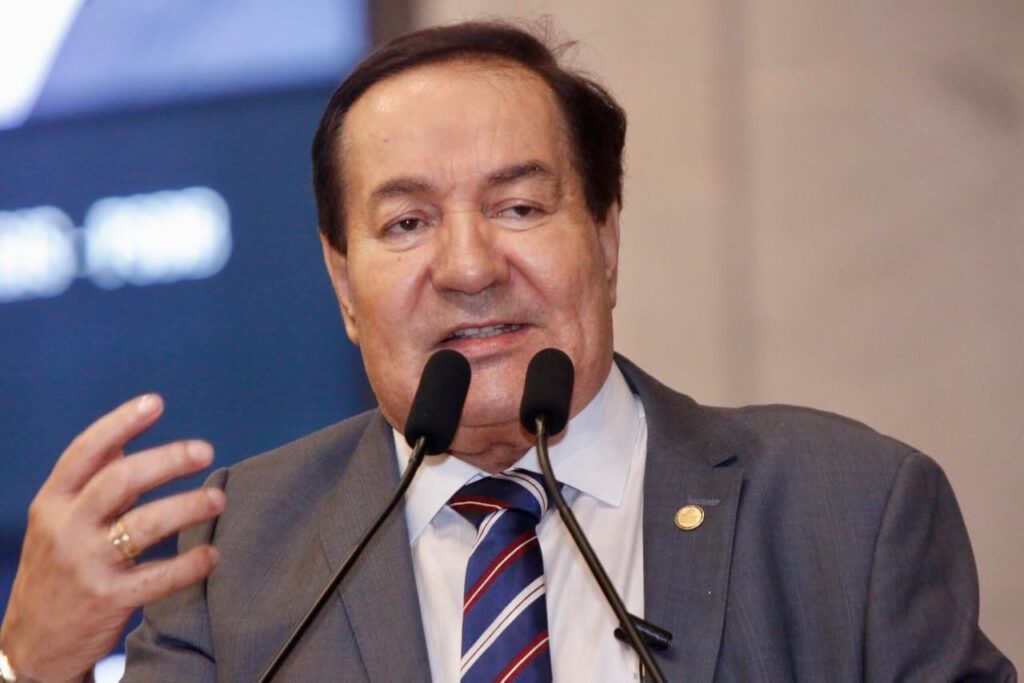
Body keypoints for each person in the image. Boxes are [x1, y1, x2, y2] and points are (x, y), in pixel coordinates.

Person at [0, 21, 1016, 683]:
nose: (469, 266)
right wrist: (31, 667)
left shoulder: (848, 511)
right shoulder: (239, 560)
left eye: (520, 206)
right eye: (406, 224)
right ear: (342, 284)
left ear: (605, 241)